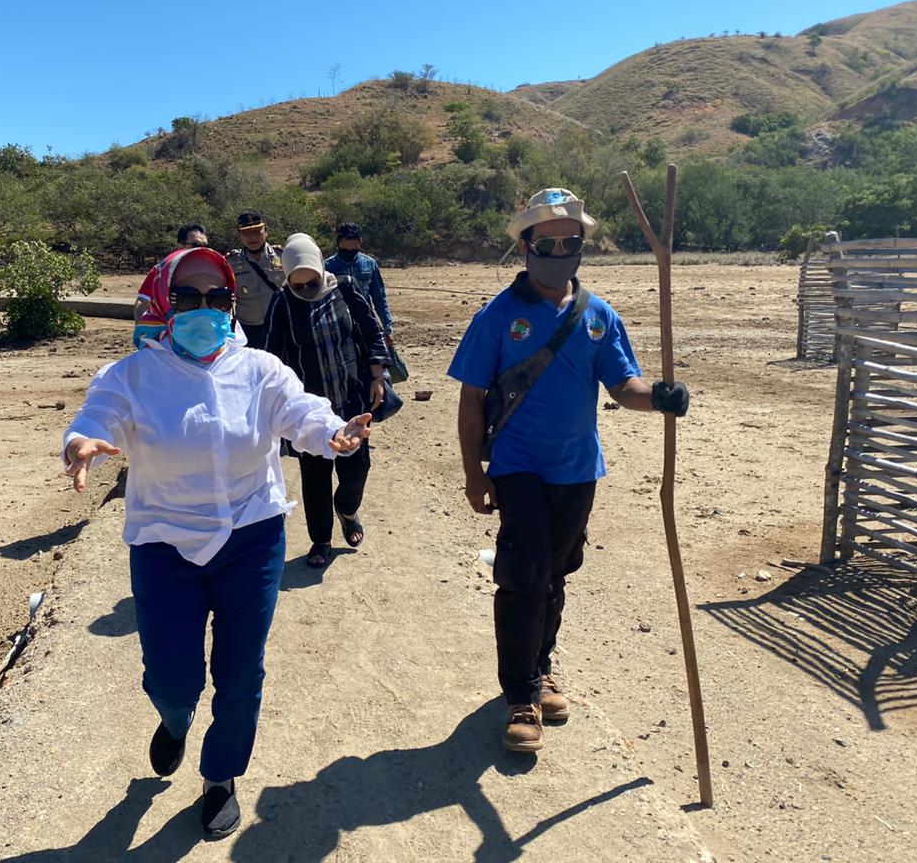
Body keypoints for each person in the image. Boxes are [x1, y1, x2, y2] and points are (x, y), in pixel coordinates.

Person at [63, 246, 372, 838]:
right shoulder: (131, 376)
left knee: (240, 672)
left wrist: (332, 432)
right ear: (162, 303)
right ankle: (175, 718)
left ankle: (221, 776)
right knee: (173, 676)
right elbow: (96, 416)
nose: (204, 308)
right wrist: (81, 443)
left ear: (233, 305)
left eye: (217, 297)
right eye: (187, 297)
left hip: (251, 538)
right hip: (163, 545)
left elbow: (299, 410)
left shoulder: (260, 370)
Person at [446, 188, 690, 754]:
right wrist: (472, 474)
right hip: (517, 467)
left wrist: (660, 395)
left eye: (569, 242)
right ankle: (522, 694)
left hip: (578, 470)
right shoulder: (498, 317)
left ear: (581, 247)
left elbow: (622, 387)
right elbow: (471, 398)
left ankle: (542, 664)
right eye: (546, 243)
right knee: (523, 574)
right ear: (525, 247)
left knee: (555, 575)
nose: (558, 251)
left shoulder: (600, 317)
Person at [262, 233, 389, 569]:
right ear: (288, 279)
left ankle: (347, 509)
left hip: (351, 400)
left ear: (320, 267)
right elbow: (271, 356)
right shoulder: (282, 303)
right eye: (298, 284)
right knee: (314, 475)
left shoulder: (345, 288)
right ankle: (321, 539)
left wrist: (378, 376)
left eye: (312, 282)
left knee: (357, 467)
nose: (306, 290)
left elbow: (371, 330)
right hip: (309, 410)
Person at [324, 222, 394, 345]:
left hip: (366, 321)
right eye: (345, 250)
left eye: (353, 250)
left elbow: (379, 298)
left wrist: (387, 327)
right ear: (338, 243)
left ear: (360, 243)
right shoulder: (326, 267)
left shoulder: (370, 264)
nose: (349, 253)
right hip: (339, 323)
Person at [226, 209, 285, 348]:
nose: (252, 237)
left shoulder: (282, 256)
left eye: (257, 231)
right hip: (248, 329)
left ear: (266, 230)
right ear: (239, 235)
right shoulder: (231, 263)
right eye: (246, 232)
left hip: (281, 326)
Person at [133, 223, 211, 325]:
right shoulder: (160, 271)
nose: (202, 250)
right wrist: (141, 329)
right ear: (180, 246)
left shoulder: (213, 275)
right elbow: (143, 302)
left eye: (206, 246)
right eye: (196, 245)